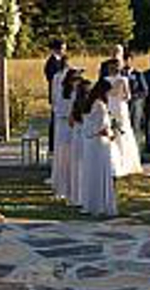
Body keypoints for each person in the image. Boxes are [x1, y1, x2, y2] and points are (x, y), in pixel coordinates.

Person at [81, 79, 117, 217]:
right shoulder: (100, 105)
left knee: (92, 173)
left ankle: (92, 203)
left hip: (90, 144)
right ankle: (101, 204)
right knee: (101, 173)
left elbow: (88, 124)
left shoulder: (89, 103)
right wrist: (111, 133)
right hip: (100, 143)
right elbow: (102, 127)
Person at [106, 59, 143, 177]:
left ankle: (117, 161)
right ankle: (122, 161)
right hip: (118, 106)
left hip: (113, 106)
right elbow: (128, 96)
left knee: (117, 132)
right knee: (121, 132)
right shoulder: (122, 79)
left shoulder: (107, 80)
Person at [52, 68, 82, 200]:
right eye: (75, 79)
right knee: (64, 157)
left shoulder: (78, 93)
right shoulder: (62, 92)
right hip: (65, 126)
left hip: (72, 126)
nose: (77, 82)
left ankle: (73, 186)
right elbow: (59, 110)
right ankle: (63, 186)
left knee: (73, 158)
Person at [69, 78, 92, 206]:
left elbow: (70, 122)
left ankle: (76, 195)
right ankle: (85, 195)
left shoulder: (75, 103)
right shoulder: (89, 104)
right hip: (86, 135)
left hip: (76, 135)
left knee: (76, 166)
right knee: (85, 165)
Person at [44, 39, 67, 154]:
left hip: (62, 94)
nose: (64, 51)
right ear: (57, 49)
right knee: (54, 120)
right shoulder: (51, 62)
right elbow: (51, 78)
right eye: (63, 48)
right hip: (56, 93)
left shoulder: (62, 60)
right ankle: (52, 146)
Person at [122, 52, 148, 146]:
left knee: (135, 125)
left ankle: (135, 145)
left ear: (132, 61)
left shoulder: (138, 74)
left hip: (135, 104)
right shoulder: (120, 74)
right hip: (123, 104)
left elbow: (144, 91)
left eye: (128, 60)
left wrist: (133, 96)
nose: (126, 63)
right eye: (125, 60)